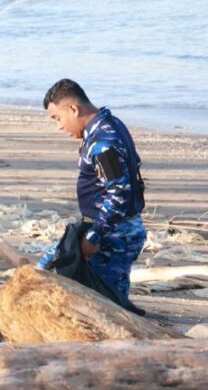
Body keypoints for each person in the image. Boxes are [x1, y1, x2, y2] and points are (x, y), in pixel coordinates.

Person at [39, 79, 146, 298]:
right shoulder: (109, 125)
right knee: (46, 268)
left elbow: (119, 193)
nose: (59, 126)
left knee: (108, 303)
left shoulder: (104, 142)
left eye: (57, 118)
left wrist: (93, 238)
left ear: (73, 109)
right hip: (101, 226)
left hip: (114, 234)